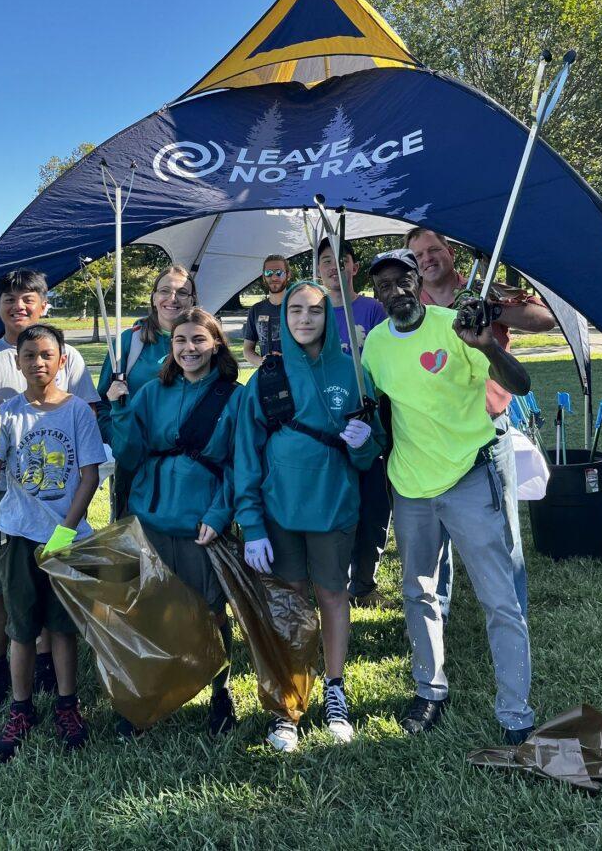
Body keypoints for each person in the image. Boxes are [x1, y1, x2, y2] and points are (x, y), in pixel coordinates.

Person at [362, 249, 535, 744]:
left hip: (470, 478)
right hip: (410, 487)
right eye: (384, 285)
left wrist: (488, 347)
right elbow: (382, 406)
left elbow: (520, 385)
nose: (394, 291)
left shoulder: (456, 327)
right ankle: (429, 690)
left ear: (418, 282)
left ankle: (515, 712)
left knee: (499, 598)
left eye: (403, 280)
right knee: (418, 592)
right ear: (376, 295)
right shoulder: (374, 345)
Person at [234, 281, 385, 752]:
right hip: (280, 513)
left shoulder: (355, 372)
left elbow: (371, 452)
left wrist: (366, 444)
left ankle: (336, 690)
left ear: (328, 316)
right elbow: (246, 456)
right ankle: (290, 702)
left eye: (315, 311)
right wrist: (253, 526)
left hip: (334, 507)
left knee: (333, 595)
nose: (304, 318)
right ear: (282, 318)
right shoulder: (265, 378)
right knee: (292, 605)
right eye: (295, 310)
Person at [0, 268, 99, 711]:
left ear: (44, 304)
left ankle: (48, 665)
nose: (19, 306)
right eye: (9, 299)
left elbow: (83, 429)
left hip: (52, 491)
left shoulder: (68, 358)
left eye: (28, 298)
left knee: (48, 579)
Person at [406, 228, 555, 619]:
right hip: (433, 435)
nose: (427, 258)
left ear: (450, 251)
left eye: (433, 249)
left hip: (489, 431)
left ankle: (512, 614)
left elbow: (544, 320)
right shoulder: (411, 301)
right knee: (435, 536)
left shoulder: (486, 288)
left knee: (502, 535)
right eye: (418, 254)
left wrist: (491, 308)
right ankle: (436, 618)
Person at [0, 323, 106, 762]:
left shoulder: (77, 413)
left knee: (63, 627)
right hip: (18, 534)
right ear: (18, 361)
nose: (38, 363)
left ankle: (68, 705)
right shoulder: (8, 412)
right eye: (29, 356)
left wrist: (67, 532)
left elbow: (89, 475)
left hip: (65, 539)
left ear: (62, 361)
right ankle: (21, 708)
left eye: (47, 355)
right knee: (22, 629)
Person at [109, 307, 242, 740]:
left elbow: (240, 464)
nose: (189, 348)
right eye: (181, 340)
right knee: (151, 608)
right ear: (171, 346)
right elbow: (129, 456)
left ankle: (221, 692)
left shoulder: (233, 396)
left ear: (216, 344)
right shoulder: (151, 391)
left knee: (210, 610)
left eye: (198, 340)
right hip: (150, 514)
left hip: (201, 519)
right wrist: (120, 410)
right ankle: (154, 692)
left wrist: (219, 514)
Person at [318, 237, 392, 609]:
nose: (334, 267)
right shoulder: (313, 311)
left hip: (371, 418)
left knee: (373, 501)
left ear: (353, 267)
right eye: (326, 261)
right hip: (328, 424)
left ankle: (363, 582)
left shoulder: (373, 310)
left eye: (341, 260)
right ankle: (333, 578)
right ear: (318, 270)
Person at [97, 264, 197, 515]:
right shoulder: (129, 341)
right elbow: (101, 404)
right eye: (165, 290)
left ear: (193, 300)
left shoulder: (203, 344)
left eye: (182, 292)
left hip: (191, 466)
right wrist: (121, 440)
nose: (172, 299)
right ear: (153, 297)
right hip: (136, 466)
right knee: (134, 545)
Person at [242, 254, 291, 366]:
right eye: (268, 273)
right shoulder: (256, 310)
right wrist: (263, 362)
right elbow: (247, 350)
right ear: (264, 277)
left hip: (296, 374)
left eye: (279, 273)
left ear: (288, 275)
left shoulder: (298, 306)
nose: (274, 278)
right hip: (269, 376)